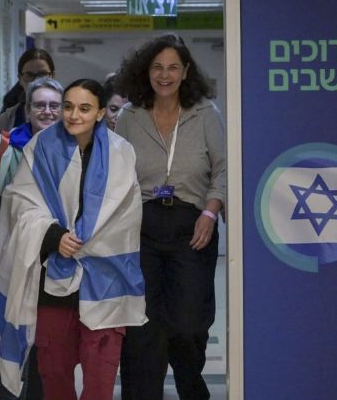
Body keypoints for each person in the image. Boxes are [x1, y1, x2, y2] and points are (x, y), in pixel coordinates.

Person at [0, 79, 148, 400]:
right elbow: (20, 202)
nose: (73, 115)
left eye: (84, 108)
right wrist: (53, 235)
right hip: (54, 285)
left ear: (101, 112)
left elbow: (125, 216)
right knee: (56, 380)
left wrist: (81, 240)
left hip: (107, 283)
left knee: (99, 384)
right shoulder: (41, 147)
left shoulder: (122, 154)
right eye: (68, 106)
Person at [115, 34, 226, 400]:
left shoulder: (205, 114)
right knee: (143, 326)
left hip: (192, 226)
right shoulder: (130, 117)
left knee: (189, 323)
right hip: (141, 229)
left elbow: (223, 169)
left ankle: (192, 390)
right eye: (158, 67)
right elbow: (116, 173)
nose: (165, 75)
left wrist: (211, 211)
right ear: (146, 71)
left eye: (173, 68)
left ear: (186, 72)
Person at [0, 77, 64, 400]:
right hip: (3, 255)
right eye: (40, 105)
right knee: (10, 330)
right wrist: (16, 217)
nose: (47, 112)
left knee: (47, 334)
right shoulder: (2, 146)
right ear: (27, 109)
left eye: (54, 105)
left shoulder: (75, 149)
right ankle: (9, 393)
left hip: (54, 259)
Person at [0, 48, 56, 135]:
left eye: (43, 74)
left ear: (52, 76)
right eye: (29, 75)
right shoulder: (4, 122)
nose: (36, 81)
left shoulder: (69, 118)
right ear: (20, 79)